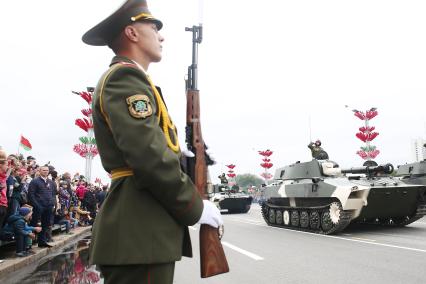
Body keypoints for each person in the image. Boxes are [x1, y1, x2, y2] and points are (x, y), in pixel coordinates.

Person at [82, 1, 222, 283]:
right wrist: (196, 206)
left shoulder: (135, 80)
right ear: (132, 33)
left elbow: (150, 147)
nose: (161, 35)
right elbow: (149, 158)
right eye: (153, 27)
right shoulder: (125, 77)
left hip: (141, 232)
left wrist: (182, 154)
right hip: (139, 230)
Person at [28, 165, 56, 248]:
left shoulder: (51, 182)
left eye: (47, 170)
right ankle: (28, 244)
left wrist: (52, 202)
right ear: (40, 171)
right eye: (43, 170)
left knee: (45, 224)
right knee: (34, 224)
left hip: (48, 207)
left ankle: (42, 242)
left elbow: (53, 194)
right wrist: (36, 205)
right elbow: (31, 194)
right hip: (38, 206)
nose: (46, 171)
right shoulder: (34, 181)